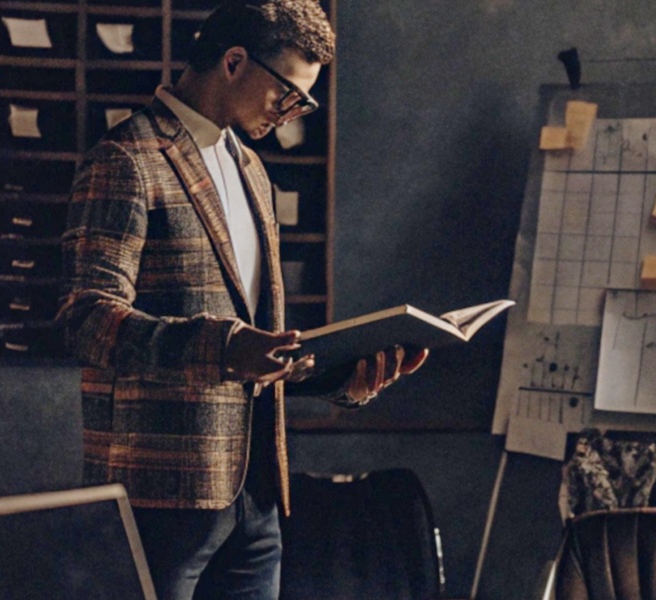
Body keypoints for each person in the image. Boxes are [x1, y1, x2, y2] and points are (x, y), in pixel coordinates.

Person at [58, 2, 423, 598]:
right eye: (288, 94)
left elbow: (256, 349)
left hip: (255, 499)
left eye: (304, 102)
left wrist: (338, 382)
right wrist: (224, 347)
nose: (293, 112)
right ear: (233, 62)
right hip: (161, 499)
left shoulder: (252, 169)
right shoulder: (126, 160)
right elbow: (88, 319)